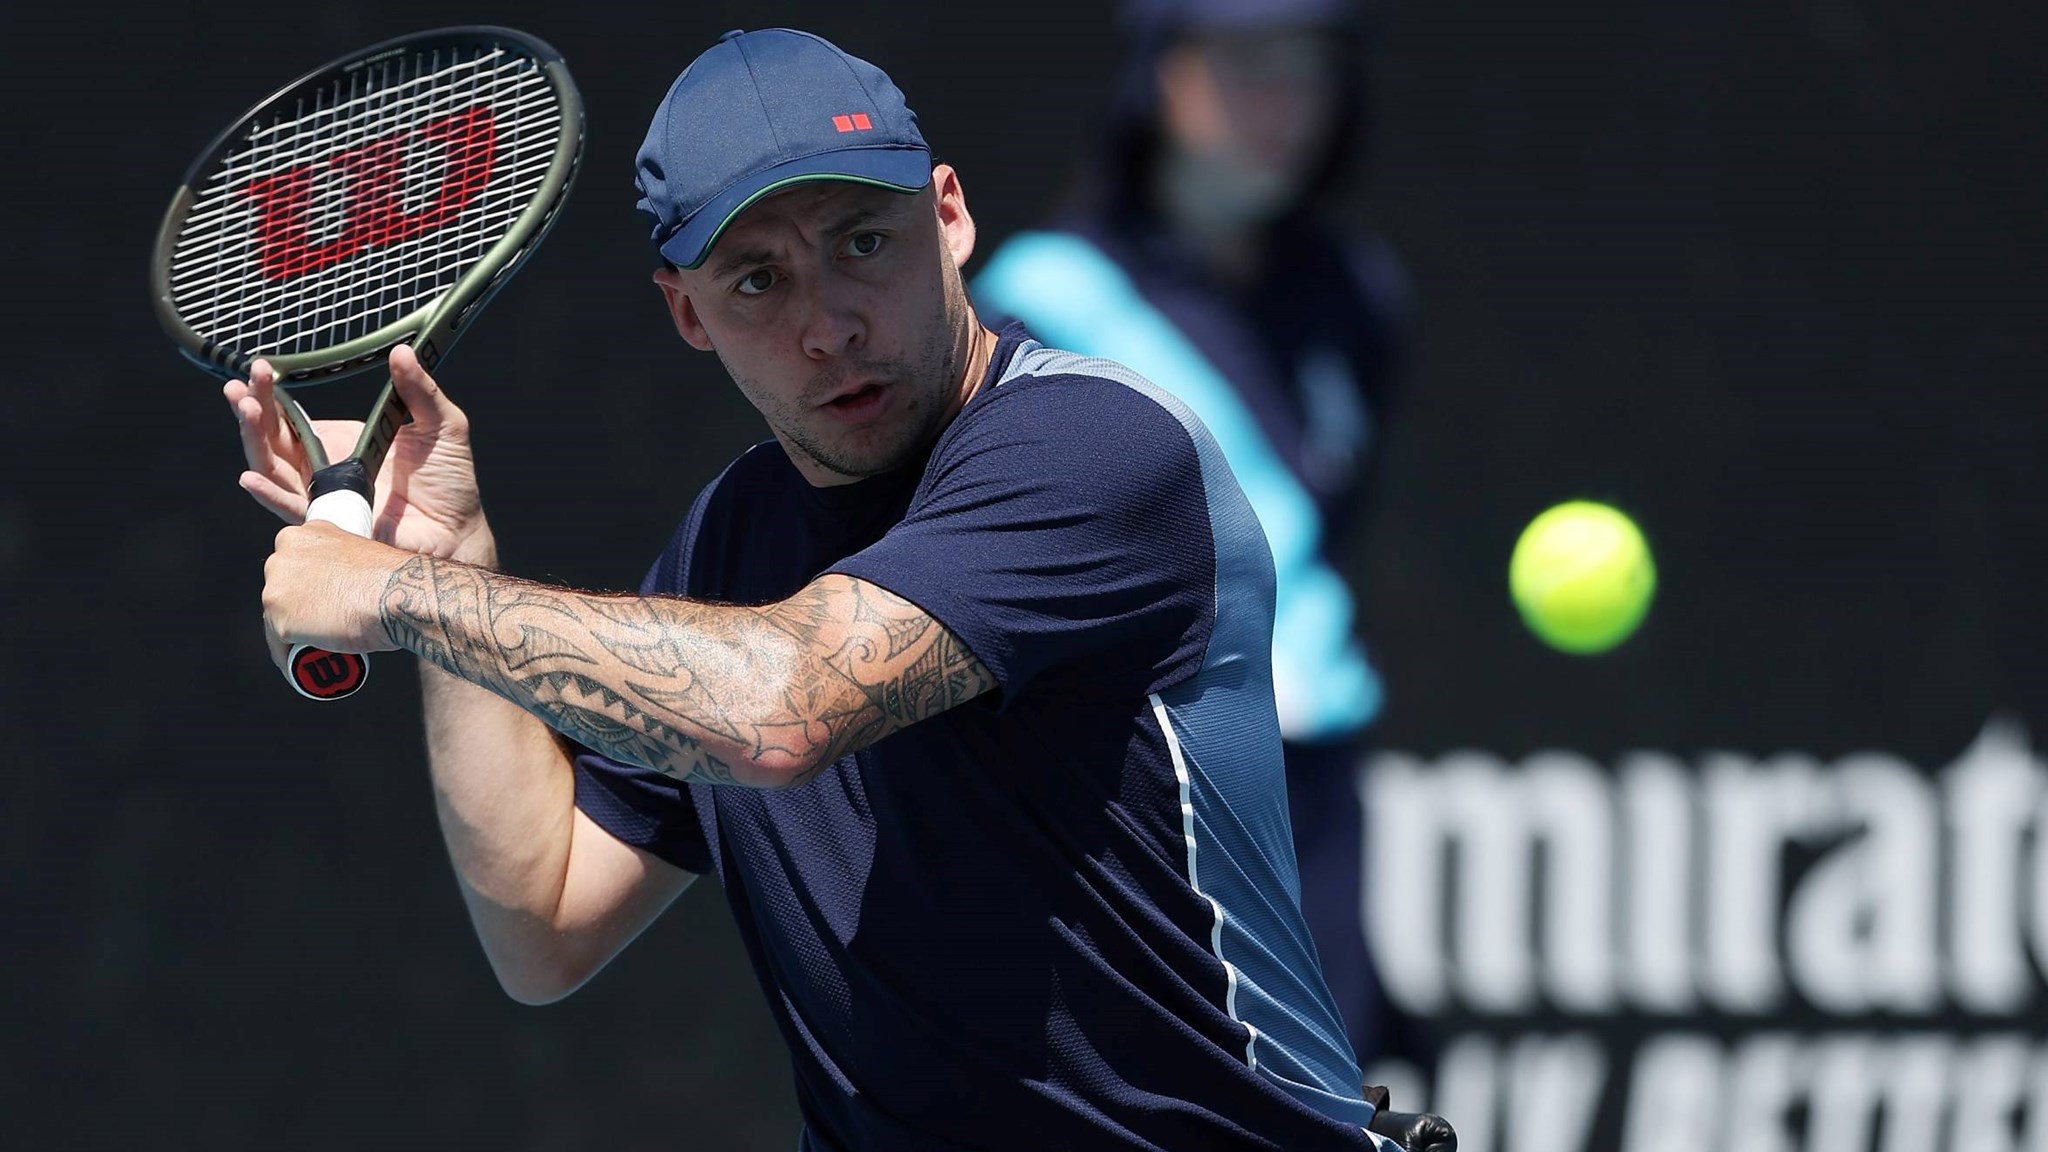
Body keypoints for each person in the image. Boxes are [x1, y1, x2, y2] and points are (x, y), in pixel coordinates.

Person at [227, 27, 1450, 1152]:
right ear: (685, 316)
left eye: (861, 243)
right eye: (757, 280)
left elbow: (784, 706)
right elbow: (544, 921)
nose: (826, 324)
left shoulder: (1092, 449)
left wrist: (398, 597)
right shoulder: (733, 541)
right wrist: (450, 561)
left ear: (949, 216)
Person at [970, 0, 1424, 1070]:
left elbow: (1320, 548)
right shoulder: (1034, 306)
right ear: (1159, 77)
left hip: (1314, 796)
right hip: (1144, 809)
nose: (1286, 105)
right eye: (1247, 66)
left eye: (1310, 70)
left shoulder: (1354, 298)